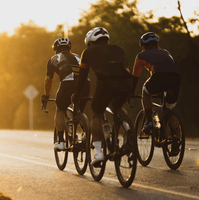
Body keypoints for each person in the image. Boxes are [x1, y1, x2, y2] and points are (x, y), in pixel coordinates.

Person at [72, 27, 132, 166]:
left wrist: (77, 95)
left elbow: (82, 77)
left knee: (96, 114)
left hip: (106, 82)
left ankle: (98, 153)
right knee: (117, 107)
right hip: (126, 82)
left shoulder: (87, 52)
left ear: (91, 42)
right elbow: (125, 69)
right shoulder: (119, 49)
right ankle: (129, 130)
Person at [41, 38, 90, 150]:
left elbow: (48, 80)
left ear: (55, 49)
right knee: (79, 112)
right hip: (85, 83)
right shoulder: (78, 56)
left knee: (60, 109)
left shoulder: (53, 58)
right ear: (69, 48)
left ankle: (61, 142)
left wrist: (46, 95)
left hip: (68, 84)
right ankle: (87, 135)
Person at [131, 32, 180, 137]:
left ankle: (149, 122)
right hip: (176, 78)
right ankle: (176, 137)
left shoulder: (141, 55)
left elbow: (135, 77)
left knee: (145, 90)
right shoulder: (166, 52)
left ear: (143, 45)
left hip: (159, 76)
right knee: (167, 110)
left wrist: (131, 93)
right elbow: (171, 67)